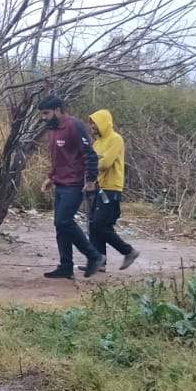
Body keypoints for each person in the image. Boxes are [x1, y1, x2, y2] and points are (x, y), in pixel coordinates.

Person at [37, 95, 102, 279]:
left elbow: (90, 154)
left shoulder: (74, 126)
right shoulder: (53, 130)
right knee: (60, 225)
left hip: (75, 184)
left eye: (46, 113)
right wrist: (51, 177)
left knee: (64, 221)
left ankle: (94, 256)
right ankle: (66, 266)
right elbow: (59, 158)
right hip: (60, 183)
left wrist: (91, 180)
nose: (43, 117)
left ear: (57, 110)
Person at [85, 108, 139, 272]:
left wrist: (95, 161)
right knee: (93, 225)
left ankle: (128, 251)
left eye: (94, 123)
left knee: (101, 224)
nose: (92, 126)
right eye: (91, 123)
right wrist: (95, 162)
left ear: (103, 123)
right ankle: (99, 262)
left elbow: (105, 163)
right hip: (97, 187)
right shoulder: (97, 143)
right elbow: (91, 162)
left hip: (111, 188)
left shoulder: (116, 139)